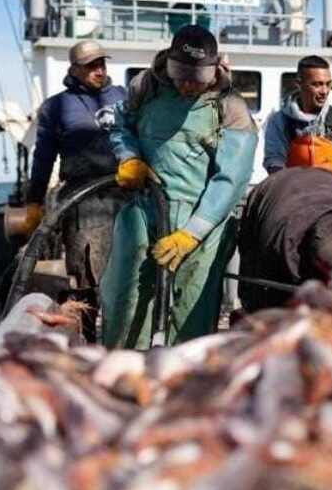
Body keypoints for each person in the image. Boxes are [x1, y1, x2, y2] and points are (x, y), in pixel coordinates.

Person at [100, 25, 257, 348]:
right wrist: (129, 157)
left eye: (196, 80)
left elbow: (231, 179)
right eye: (180, 77)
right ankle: (124, 366)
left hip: (202, 219)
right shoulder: (146, 86)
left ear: (213, 73)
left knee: (193, 311)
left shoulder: (232, 108)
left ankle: (185, 371)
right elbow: (121, 125)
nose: (186, 86)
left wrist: (192, 234)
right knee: (126, 296)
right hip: (144, 207)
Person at [23, 40, 127, 340]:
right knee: (87, 276)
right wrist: (34, 202)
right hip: (84, 202)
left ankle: (128, 339)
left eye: (102, 63)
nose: (100, 70)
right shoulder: (56, 107)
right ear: (74, 69)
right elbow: (43, 158)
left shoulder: (123, 96)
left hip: (127, 195)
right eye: (91, 65)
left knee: (130, 271)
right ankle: (89, 342)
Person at [237, 167, 332, 312]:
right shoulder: (276, 241)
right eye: (328, 276)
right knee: (261, 297)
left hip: (331, 183)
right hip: (275, 189)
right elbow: (267, 291)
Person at [263, 55, 332, 184]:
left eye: (328, 84)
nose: (324, 91)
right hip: (294, 191)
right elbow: (275, 165)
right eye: (317, 84)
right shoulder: (279, 121)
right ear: (299, 84)